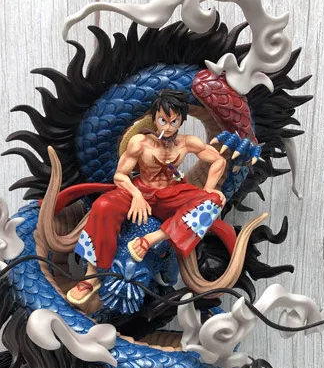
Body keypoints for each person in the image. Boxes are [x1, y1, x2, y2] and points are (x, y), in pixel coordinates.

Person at [67, 89, 228, 305]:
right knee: (103, 204)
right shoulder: (140, 142)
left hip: (172, 193)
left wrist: (209, 189)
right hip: (141, 189)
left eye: (174, 121)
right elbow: (120, 175)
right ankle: (91, 275)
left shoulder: (188, 142)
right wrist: (136, 195)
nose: (167, 127)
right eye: (163, 120)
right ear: (154, 118)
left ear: (181, 121)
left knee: (214, 201)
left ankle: (151, 239)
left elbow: (219, 160)